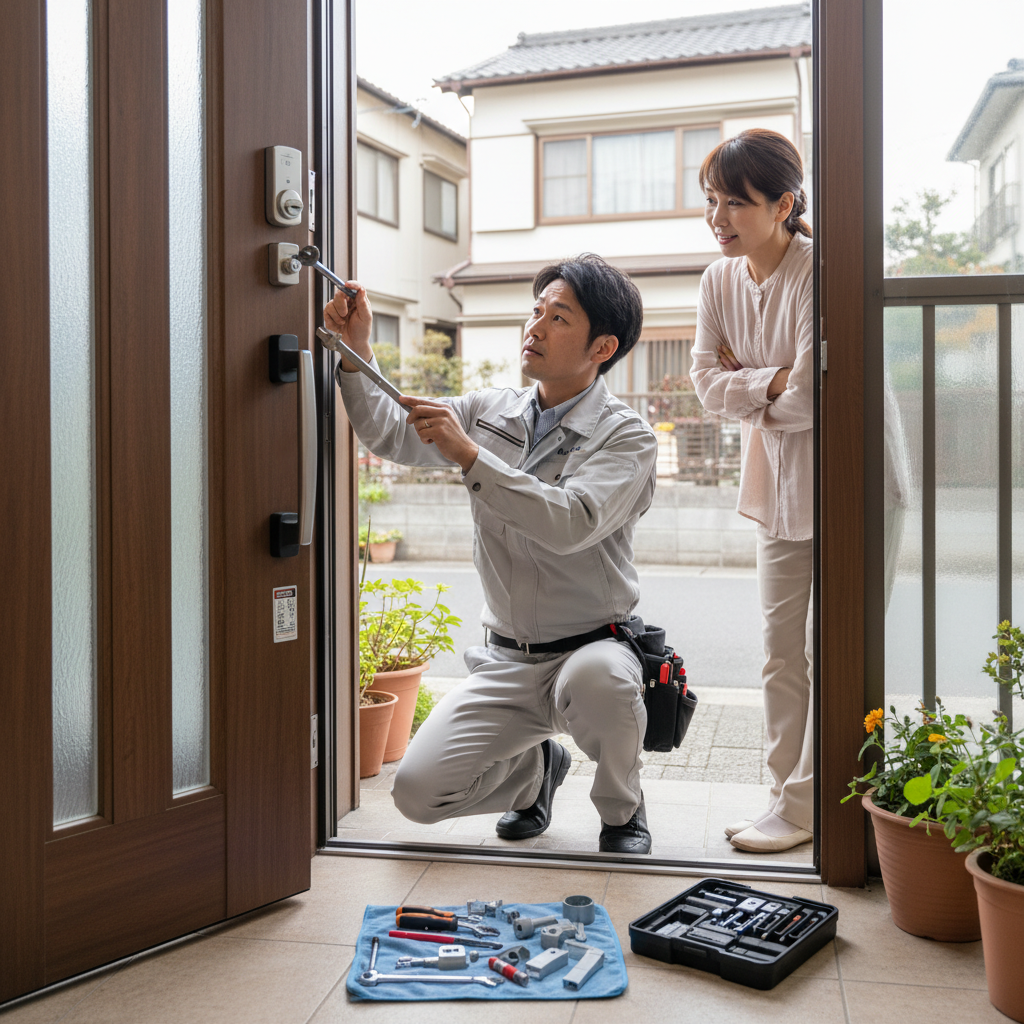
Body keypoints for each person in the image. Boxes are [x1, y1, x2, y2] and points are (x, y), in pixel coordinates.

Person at [323, 254, 658, 854]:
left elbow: (570, 520)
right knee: (416, 795)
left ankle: (621, 811)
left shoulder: (625, 435)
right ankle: (536, 776)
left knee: (600, 680)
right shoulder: (487, 410)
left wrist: (472, 458)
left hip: (592, 646)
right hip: (508, 659)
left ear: (601, 346)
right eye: (536, 310)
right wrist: (354, 349)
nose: (535, 327)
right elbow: (392, 433)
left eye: (559, 317)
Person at [690, 129, 815, 854]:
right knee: (779, 649)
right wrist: (769, 380)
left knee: (831, 647)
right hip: (778, 484)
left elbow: (811, 403)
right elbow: (707, 388)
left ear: (785, 204)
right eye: (713, 200)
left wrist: (758, 383)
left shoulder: (814, 269)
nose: (720, 216)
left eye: (737, 202)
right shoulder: (718, 281)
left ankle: (808, 804)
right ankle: (783, 796)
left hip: (848, 476)